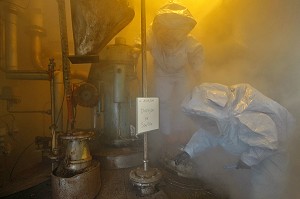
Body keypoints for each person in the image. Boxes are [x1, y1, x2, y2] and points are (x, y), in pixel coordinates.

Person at [174, 83, 295, 199]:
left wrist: (247, 160)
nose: (202, 122)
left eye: (202, 118)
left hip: (272, 157)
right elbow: (207, 134)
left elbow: (268, 142)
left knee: (266, 189)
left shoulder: (241, 117)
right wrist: (188, 151)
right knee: (245, 185)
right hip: (251, 150)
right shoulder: (217, 118)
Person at [146, 2, 204, 145]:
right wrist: (135, 49)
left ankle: (181, 132)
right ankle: (167, 134)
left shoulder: (188, 41)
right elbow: (140, 41)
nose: (171, 34)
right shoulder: (152, 36)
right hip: (162, 72)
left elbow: (197, 52)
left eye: (175, 29)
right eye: (168, 28)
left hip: (180, 73)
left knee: (183, 101)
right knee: (163, 102)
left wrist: (198, 72)